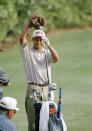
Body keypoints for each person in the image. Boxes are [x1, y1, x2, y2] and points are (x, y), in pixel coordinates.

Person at [20, 17, 59, 131]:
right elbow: (22, 38)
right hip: (33, 88)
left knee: (47, 120)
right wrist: (28, 23)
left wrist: (49, 45)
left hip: (47, 88)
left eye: (41, 40)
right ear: (32, 40)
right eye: (36, 39)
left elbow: (56, 58)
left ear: (43, 41)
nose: (39, 42)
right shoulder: (27, 52)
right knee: (33, 122)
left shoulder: (46, 52)